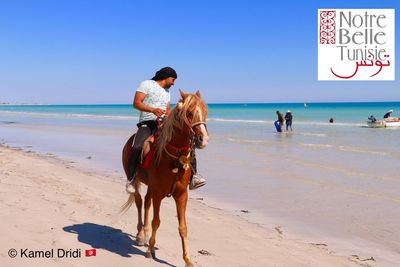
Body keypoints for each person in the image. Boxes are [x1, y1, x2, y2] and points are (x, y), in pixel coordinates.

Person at [126, 67, 206, 193]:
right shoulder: (146, 84)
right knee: (137, 146)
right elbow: (136, 103)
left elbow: (167, 110)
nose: (174, 83)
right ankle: (131, 178)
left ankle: (193, 176)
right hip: (147, 123)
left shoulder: (167, 91)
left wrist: (169, 121)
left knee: (188, 143)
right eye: (173, 79)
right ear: (166, 76)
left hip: (164, 124)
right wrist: (153, 110)